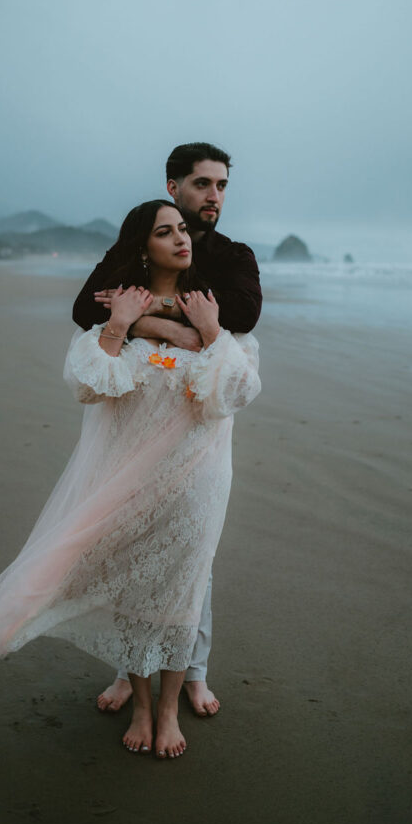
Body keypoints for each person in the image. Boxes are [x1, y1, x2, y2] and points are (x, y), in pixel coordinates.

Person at [0, 200, 261, 759]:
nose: (181, 239)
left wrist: (213, 331)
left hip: (198, 480)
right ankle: (143, 706)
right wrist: (124, 321)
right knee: (135, 589)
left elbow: (237, 393)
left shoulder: (210, 308)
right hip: (131, 479)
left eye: (182, 231)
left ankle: (170, 709)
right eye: (165, 232)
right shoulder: (117, 314)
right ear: (142, 246)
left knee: (183, 595)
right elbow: (92, 384)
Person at [73, 142, 262, 716]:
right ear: (173, 184)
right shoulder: (138, 240)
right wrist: (165, 323)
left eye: (222, 185)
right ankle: (131, 672)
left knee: (190, 549)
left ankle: (195, 672)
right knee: (137, 542)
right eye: (203, 184)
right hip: (144, 413)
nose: (215, 196)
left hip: (201, 414)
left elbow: (244, 313)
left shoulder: (233, 254)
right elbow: (90, 307)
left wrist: (158, 315)